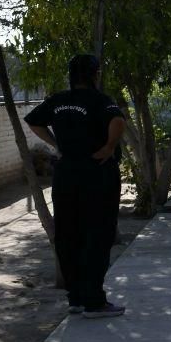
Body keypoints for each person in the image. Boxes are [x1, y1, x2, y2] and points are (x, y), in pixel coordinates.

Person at [24, 54, 126, 319]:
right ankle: (94, 302)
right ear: (95, 75)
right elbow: (118, 121)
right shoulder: (100, 100)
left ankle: (76, 298)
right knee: (98, 232)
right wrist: (109, 147)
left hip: (66, 174)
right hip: (97, 172)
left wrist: (56, 144)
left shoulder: (58, 100)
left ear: (71, 76)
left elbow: (33, 121)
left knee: (69, 233)